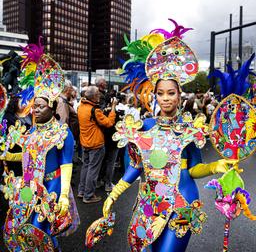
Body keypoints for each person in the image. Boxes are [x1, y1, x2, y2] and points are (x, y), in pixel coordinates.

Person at [88, 19, 238, 252]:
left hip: (182, 205)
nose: (166, 98)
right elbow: (137, 166)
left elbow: (194, 169)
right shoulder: (145, 127)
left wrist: (215, 167)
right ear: (155, 95)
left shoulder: (190, 129)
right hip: (150, 204)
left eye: (171, 93)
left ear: (179, 95)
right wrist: (114, 194)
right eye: (161, 93)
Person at [1, 53, 77, 251]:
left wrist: (63, 195)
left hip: (52, 185)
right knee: (20, 229)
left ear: (52, 108)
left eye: (41, 107)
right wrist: (7, 154)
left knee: (37, 228)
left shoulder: (63, 132)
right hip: (29, 186)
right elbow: (27, 156)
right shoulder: (32, 130)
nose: (35, 110)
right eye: (34, 106)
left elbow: (66, 163)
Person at [77, 86, 117, 203]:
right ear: (94, 97)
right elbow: (109, 123)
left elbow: (92, 121)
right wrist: (113, 108)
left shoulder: (81, 107)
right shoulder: (94, 110)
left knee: (86, 167)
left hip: (85, 142)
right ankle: (88, 195)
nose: (99, 96)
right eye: (98, 94)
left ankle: (81, 191)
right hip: (96, 144)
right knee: (93, 170)